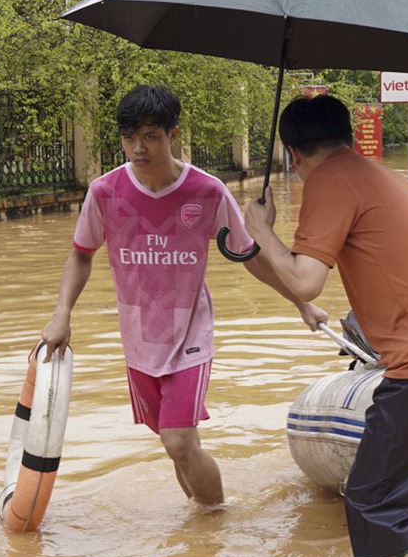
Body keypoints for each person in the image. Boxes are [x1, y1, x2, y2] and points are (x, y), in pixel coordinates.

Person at [243, 95, 408, 557]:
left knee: (373, 496)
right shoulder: (381, 176)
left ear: (292, 155)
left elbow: (306, 281)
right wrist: (259, 249)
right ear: (350, 137)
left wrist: (259, 229)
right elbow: (295, 275)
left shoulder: (330, 181)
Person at [40, 85, 301, 509]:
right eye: (129, 138)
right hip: (139, 339)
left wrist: (301, 302)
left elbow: (247, 255)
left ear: (172, 134)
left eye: (150, 137)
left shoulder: (208, 191)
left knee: (178, 439)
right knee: (173, 444)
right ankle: (198, 534)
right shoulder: (105, 192)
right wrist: (61, 314)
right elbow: (81, 255)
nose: (137, 148)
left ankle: (216, 525)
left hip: (191, 338)